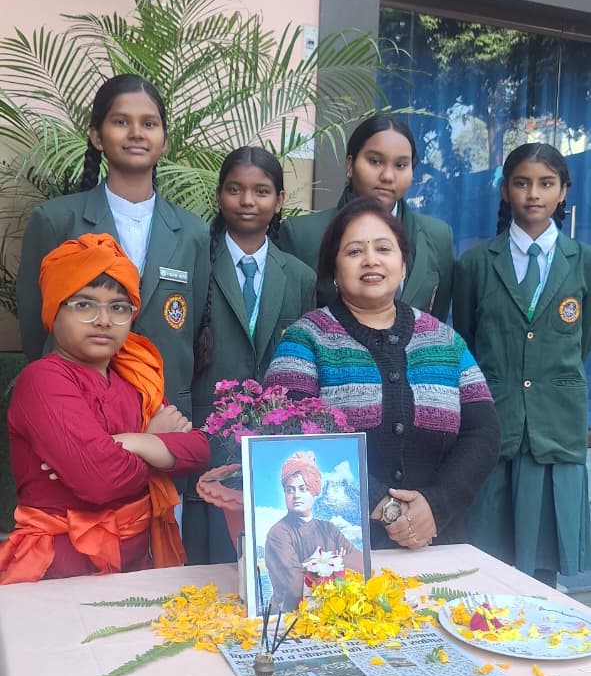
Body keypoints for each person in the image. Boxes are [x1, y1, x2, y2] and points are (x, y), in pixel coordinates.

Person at [266, 197, 500, 550]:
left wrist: (437, 506)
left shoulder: (445, 341)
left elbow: (484, 432)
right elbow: (290, 438)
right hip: (339, 551)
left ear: (403, 265)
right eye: (354, 251)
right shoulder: (305, 339)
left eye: (383, 249)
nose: (371, 260)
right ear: (334, 270)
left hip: (437, 543)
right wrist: (385, 507)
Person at [0, 233, 209, 583]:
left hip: (134, 570)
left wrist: (129, 441)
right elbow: (100, 481)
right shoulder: (42, 380)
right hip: (57, 571)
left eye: (118, 307)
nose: (103, 320)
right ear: (54, 310)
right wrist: (155, 446)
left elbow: (198, 450)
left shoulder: (136, 377)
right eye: (84, 305)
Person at [16, 74, 209, 422]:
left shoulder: (193, 231)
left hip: (166, 412)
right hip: (79, 409)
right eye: (121, 122)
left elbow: (192, 331)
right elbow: (35, 327)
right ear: (97, 136)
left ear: (164, 141)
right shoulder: (57, 221)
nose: (136, 133)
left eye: (149, 124)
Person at [453, 142, 591, 584]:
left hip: (555, 426)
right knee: (487, 555)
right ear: (505, 190)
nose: (534, 194)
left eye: (546, 184)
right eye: (522, 183)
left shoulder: (584, 262)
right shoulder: (475, 263)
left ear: (564, 191)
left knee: (542, 562)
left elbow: (583, 343)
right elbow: (468, 339)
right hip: (496, 419)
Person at [187, 146, 317, 562]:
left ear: (279, 200)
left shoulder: (300, 276)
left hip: (274, 445)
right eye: (234, 189)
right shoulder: (196, 265)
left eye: (261, 191)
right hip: (206, 440)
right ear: (219, 195)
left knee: (270, 558)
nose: (247, 201)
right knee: (208, 563)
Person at [278, 113, 455, 317]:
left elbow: (437, 319)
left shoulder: (438, 236)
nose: (387, 176)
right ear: (350, 164)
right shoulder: (302, 235)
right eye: (375, 161)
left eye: (400, 165)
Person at [264, 451, 365, 610]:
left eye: (303, 489)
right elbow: (295, 587)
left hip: (332, 611)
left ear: (313, 491)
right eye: (290, 490)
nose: (296, 495)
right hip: (288, 617)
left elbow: (361, 564)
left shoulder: (329, 529)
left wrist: (312, 564)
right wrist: (336, 561)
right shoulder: (278, 534)